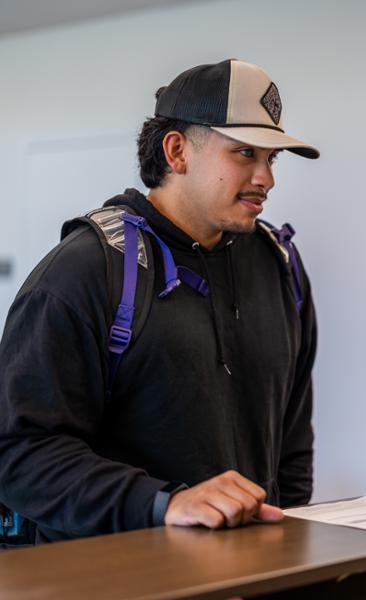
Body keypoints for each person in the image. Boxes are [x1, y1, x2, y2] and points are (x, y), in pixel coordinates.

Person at [0, 59, 319, 544]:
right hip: (112, 577)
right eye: (245, 153)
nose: (266, 179)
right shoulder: (85, 269)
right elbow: (20, 453)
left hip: (247, 575)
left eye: (271, 159)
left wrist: (280, 550)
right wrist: (164, 504)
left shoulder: (281, 266)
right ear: (177, 152)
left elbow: (291, 441)